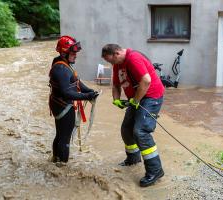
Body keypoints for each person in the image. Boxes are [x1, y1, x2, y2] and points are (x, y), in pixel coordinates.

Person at [101, 44, 165, 187]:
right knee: (126, 129)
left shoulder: (133, 58)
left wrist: (135, 101)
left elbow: (146, 80)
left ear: (117, 53)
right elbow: (116, 85)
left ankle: (155, 170)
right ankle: (133, 159)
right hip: (136, 98)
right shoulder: (118, 64)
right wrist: (116, 99)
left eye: (110, 60)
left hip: (151, 97)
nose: (111, 64)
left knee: (140, 131)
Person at [49, 35, 98, 165]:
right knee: (64, 138)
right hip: (63, 106)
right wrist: (86, 97)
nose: (76, 55)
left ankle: (56, 160)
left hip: (59, 105)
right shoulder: (61, 69)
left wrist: (90, 92)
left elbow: (77, 84)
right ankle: (62, 166)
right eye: (73, 52)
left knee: (60, 134)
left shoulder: (64, 64)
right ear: (64, 52)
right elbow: (67, 93)